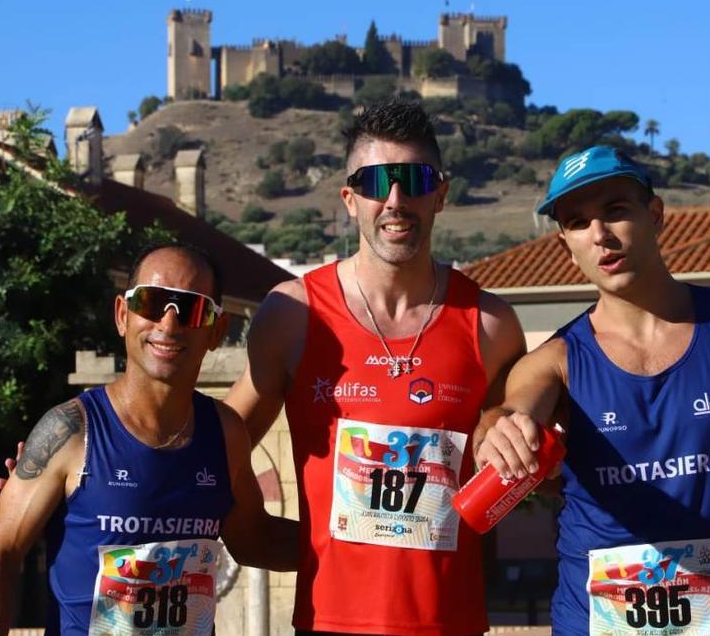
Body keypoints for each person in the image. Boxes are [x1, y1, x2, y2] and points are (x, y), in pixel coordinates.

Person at [474, 146, 710, 635]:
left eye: (616, 211)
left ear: (655, 215)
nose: (600, 235)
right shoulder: (554, 362)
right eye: (578, 222)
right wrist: (500, 429)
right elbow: (513, 411)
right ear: (565, 245)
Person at [221, 98, 526, 634]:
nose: (395, 199)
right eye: (374, 182)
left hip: (450, 624)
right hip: (329, 624)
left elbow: (526, 460)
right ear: (349, 198)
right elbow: (221, 444)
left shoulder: (491, 325)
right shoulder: (292, 315)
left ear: (441, 194)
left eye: (413, 179)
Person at [0, 243, 298, 635]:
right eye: (152, 303)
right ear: (123, 316)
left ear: (216, 330)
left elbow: (254, 540)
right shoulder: (71, 429)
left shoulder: (225, 432)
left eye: (190, 308)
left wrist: (361, 544)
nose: (168, 324)